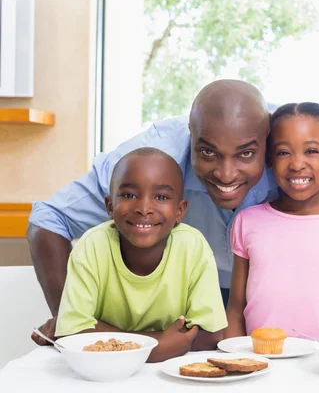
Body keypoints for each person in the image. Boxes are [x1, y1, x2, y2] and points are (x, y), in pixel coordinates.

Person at [27, 79, 319, 348]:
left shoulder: (304, 160)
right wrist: (76, 330)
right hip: (183, 305)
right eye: (207, 152)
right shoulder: (154, 157)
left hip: (272, 305)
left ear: (270, 146)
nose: (226, 173)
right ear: (190, 136)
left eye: (247, 154)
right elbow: (48, 220)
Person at [52, 147, 227, 362]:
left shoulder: (193, 247)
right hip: (104, 371)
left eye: (161, 197)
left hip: (173, 372)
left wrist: (103, 332)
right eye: (129, 195)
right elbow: (71, 334)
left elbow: (210, 335)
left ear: (180, 210)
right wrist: (156, 346)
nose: (144, 208)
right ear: (109, 206)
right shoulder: (92, 246)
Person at [225, 103, 319, 339]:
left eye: (311, 151)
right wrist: (236, 363)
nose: (296, 164)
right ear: (269, 159)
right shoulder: (247, 222)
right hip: (262, 364)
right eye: (283, 152)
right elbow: (235, 312)